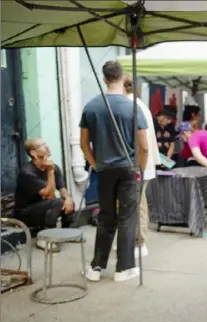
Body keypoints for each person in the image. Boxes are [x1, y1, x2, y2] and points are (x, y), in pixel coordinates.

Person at [79, 60, 149, 283]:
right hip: (128, 168)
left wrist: (95, 162)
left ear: (105, 78)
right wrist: (141, 168)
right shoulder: (133, 107)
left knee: (106, 216)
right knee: (128, 217)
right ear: (122, 77)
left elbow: (83, 143)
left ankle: (96, 267)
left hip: (105, 169)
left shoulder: (91, 106)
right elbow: (144, 146)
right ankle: (124, 267)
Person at [122, 74, 161, 259]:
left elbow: (142, 144)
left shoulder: (131, 106)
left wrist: (139, 166)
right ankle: (134, 240)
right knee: (136, 203)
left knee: (137, 204)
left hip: (139, 164)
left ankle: (140, 241)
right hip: (142, 163)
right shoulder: (137, 104)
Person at [14, 139, 74, 251]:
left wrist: (68, 198)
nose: (47, 147)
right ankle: (44, 238)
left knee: (68, 201)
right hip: (25, 213)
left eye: (46, 144)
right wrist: (50, 171)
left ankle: (66, 232)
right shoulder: (27, 172)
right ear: (33, 153)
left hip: (42, 206)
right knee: (57, 202)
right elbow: (49, 195)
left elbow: (62, 188)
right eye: (42, 145)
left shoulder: (54, 167)